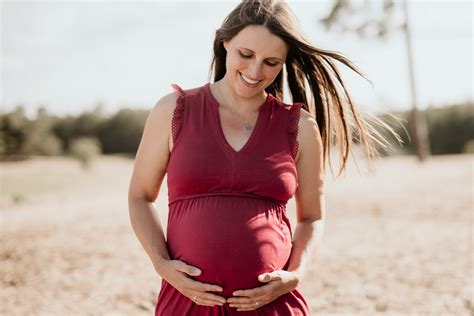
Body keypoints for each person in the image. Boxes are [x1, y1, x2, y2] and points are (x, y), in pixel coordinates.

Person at [128, 1, 395, 315]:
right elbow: (140, 196)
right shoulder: (174, 110)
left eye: (271, 62)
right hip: (187, 304)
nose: (255, 71)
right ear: (225, 41)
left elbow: (312, 217)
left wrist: (296, 275)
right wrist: (162, 265)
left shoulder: (300, 127)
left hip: (273, 307)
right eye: (246, 54)